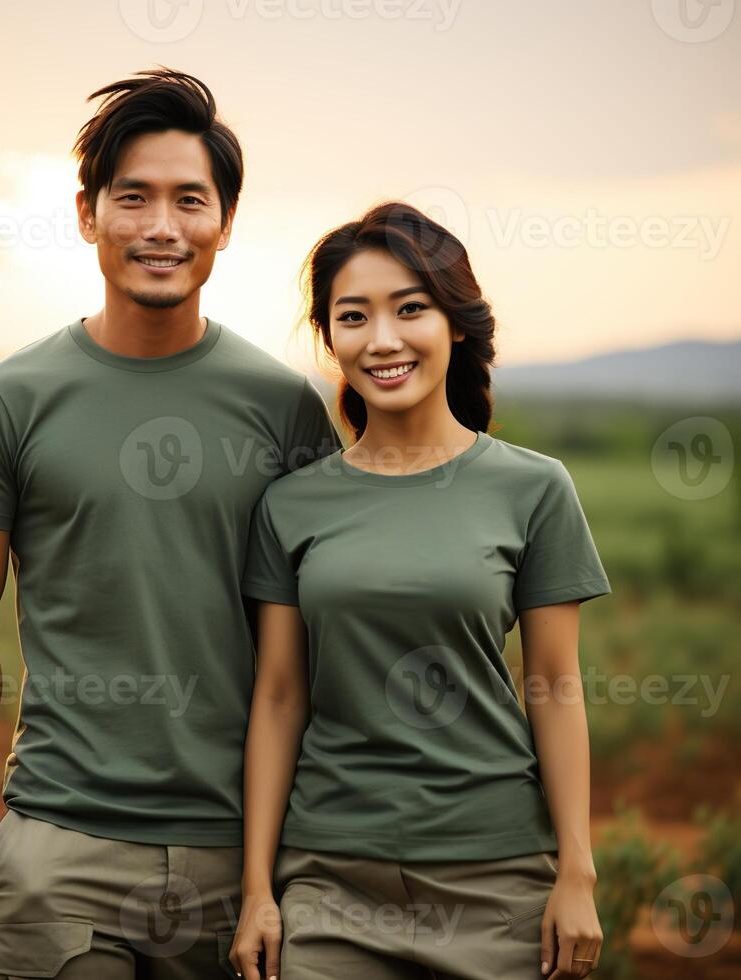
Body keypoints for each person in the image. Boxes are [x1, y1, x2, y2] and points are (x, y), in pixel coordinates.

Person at [0, 67, 341, 979]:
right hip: (58, 850)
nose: (161, 226)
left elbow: (315, 634)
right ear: (87, 214)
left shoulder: (286, 411)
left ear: (225, 223)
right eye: (133, 197)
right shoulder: (5, 400)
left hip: (242, 858)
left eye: (190, 200)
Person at [230, 202, 610, 980]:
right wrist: (257, 888)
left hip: (498, 879)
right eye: (353, 317)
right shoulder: (291, 504)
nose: (384, 340)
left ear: (457, 323)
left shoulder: (535, 489)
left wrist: (577, 871)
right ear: (330, 339)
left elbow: (555, 685)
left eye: (411, 309)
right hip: (328, 884)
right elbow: (277, 698)